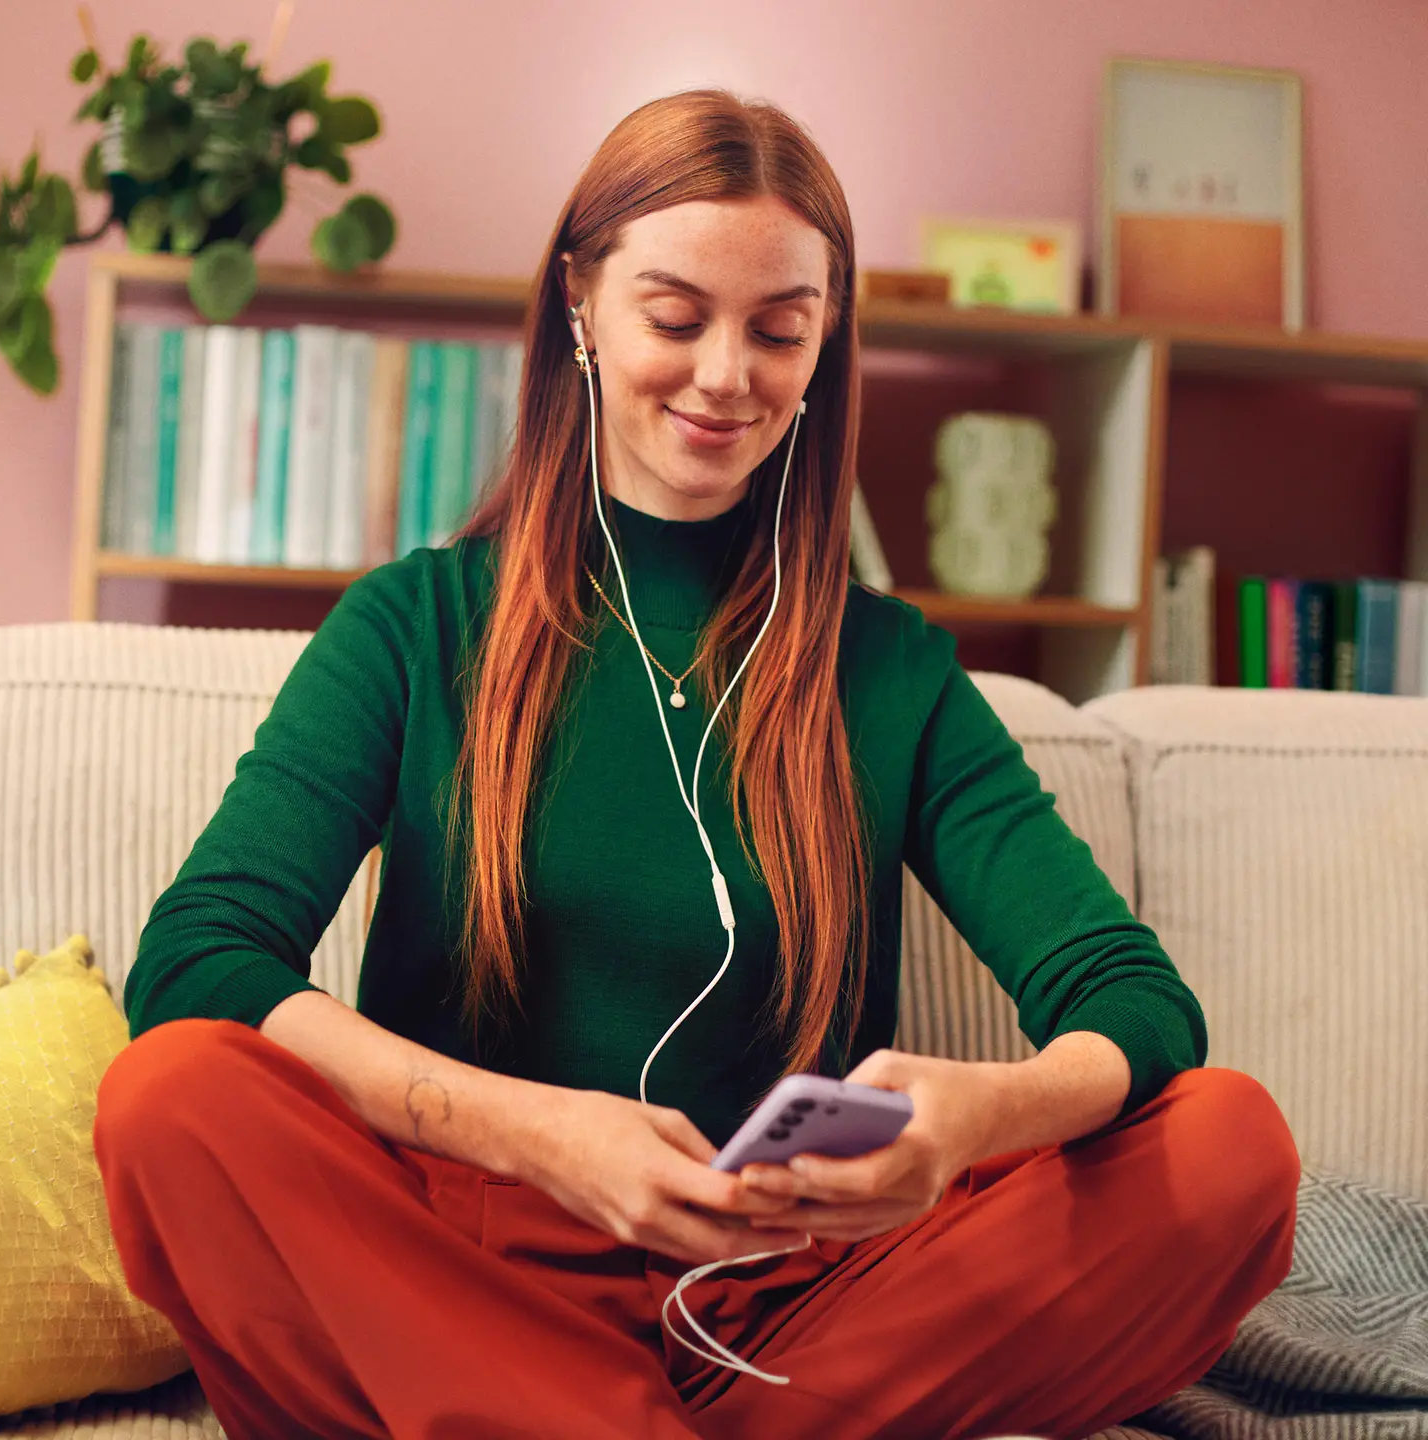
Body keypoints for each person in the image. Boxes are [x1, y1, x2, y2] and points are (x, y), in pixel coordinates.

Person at [93, 88, 1299, 1440]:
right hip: (455, 1273)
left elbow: (1132, 1002)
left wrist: (983, 1116)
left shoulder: (888, 666)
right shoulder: (414, 623)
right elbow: (202, 960)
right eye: (677, 318)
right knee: (171, 1097)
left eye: (780, 331)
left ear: (825, 339)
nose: (728, 375)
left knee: (1226, 1144)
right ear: (580, 305)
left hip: (793, 1302)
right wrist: (533, 1133)